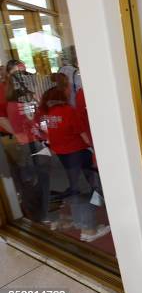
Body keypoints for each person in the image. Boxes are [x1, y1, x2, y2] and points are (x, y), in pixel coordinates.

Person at [38, 78, 110, 242]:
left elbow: (48, 133)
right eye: (69, 87)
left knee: (75, 191)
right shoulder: (68, 111)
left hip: (61, 156)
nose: (71, 90)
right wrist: (92, 147)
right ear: (63, 91)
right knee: (86, 190)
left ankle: (81, 223)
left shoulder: (49, 112)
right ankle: (89, 230)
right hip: (77, 154)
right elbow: (82, 134)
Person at [4, 59, 52, 224]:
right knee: (36, 178)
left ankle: (39, 214)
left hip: (30, 140)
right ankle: (40, 215)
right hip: (29, 141)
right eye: (20, 73)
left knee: (35, 178)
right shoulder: (17, 100)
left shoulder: (21, 97)